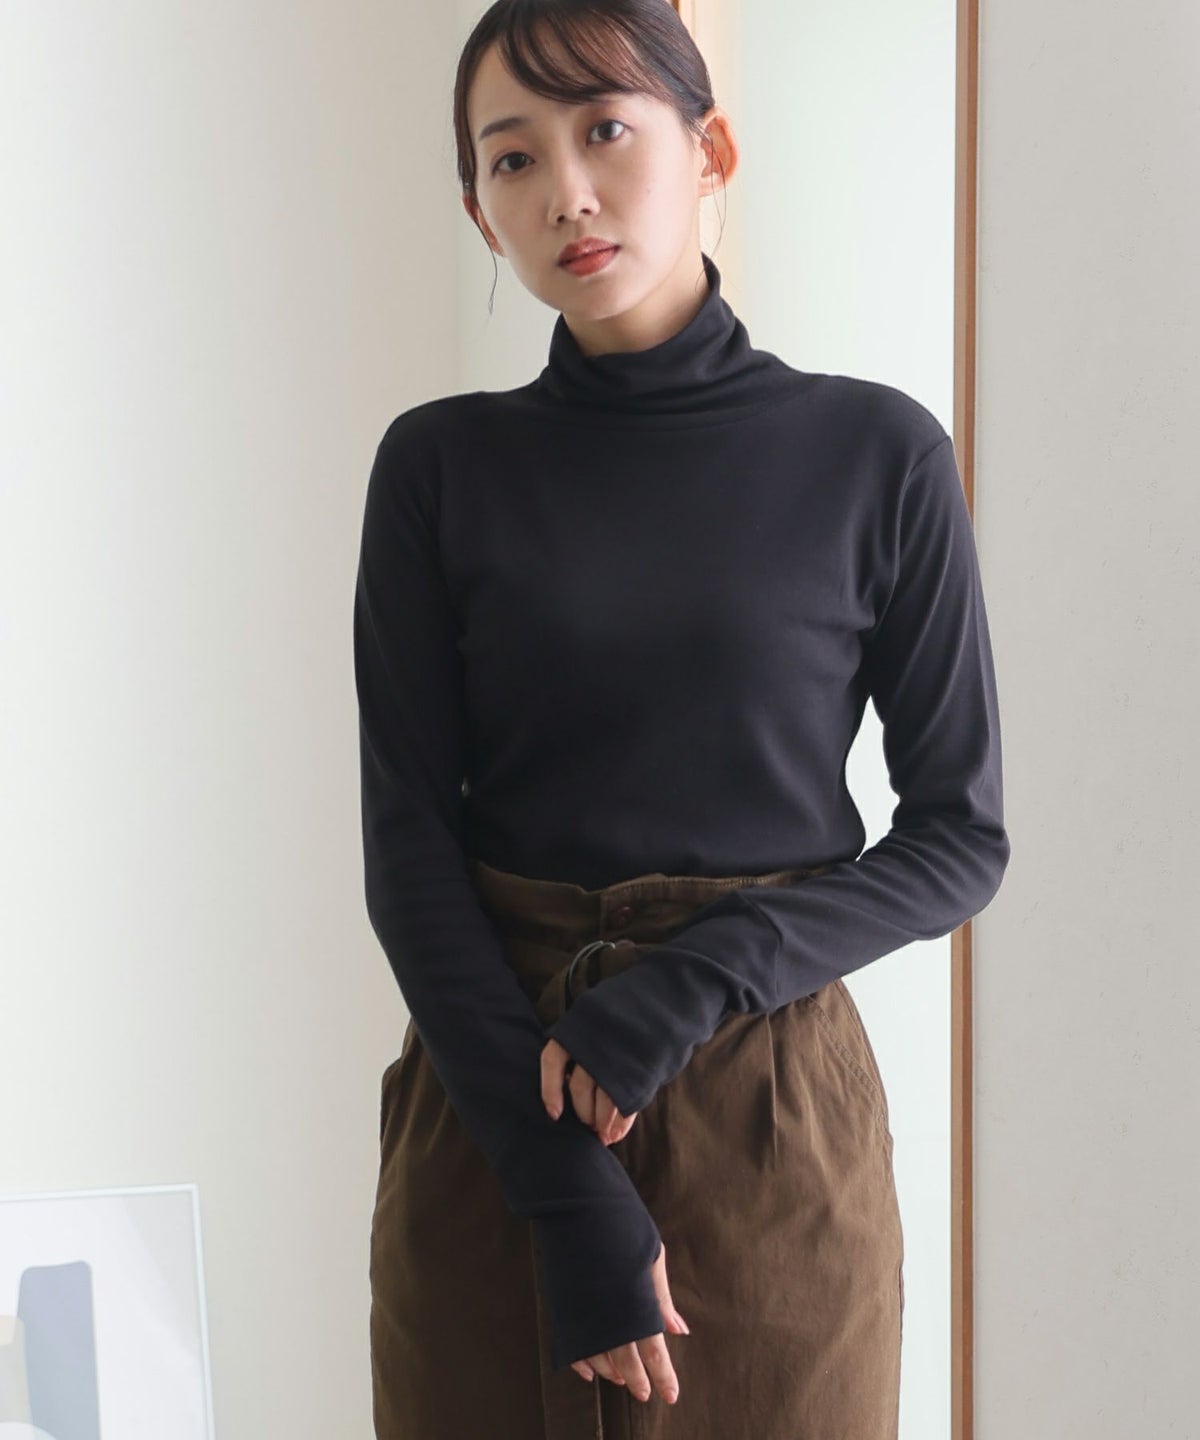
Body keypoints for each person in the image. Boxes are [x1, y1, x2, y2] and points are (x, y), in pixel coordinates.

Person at [353, 2, 1011, 1436]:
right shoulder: (437, 469)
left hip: (768, 1110)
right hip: (497, 1104)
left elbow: (960, 838)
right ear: (478, 213)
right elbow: (408, 854)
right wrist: (559, 1186)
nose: (566, 192)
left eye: (605, 130)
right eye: (512, 159)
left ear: (709, 149)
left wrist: (696, 980)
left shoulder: (877, 454)